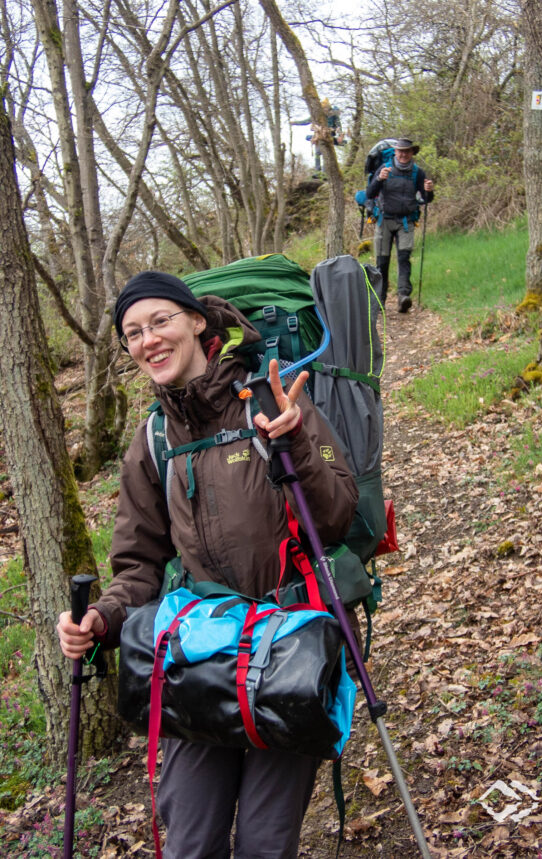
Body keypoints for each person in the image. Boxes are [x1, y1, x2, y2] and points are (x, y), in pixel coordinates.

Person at [57, 271, 359, 859]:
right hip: (199, 654)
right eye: (133, 332)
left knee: (264, 843)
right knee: (190, 842)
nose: (149, 340)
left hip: (287, 645)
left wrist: (296, 444)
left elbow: (337, 521)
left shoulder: (273, 400)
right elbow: (140, 565)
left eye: (161, 320)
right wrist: (102, 620)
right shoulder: (152, 438)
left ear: (198, 321)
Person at [365, 137, 434, 313]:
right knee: (382, 261)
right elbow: (370, 192)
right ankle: (380, 299)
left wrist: (429, 191)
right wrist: (379, 179)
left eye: (407, 151)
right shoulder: (385, 168)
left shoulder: (418, 173)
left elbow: (426, 199)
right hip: (384, 219)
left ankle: (403, 295)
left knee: (404, 257)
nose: (403, 154)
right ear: (395, 152)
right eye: (400, 151)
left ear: (412, 153)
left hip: (406, 221)